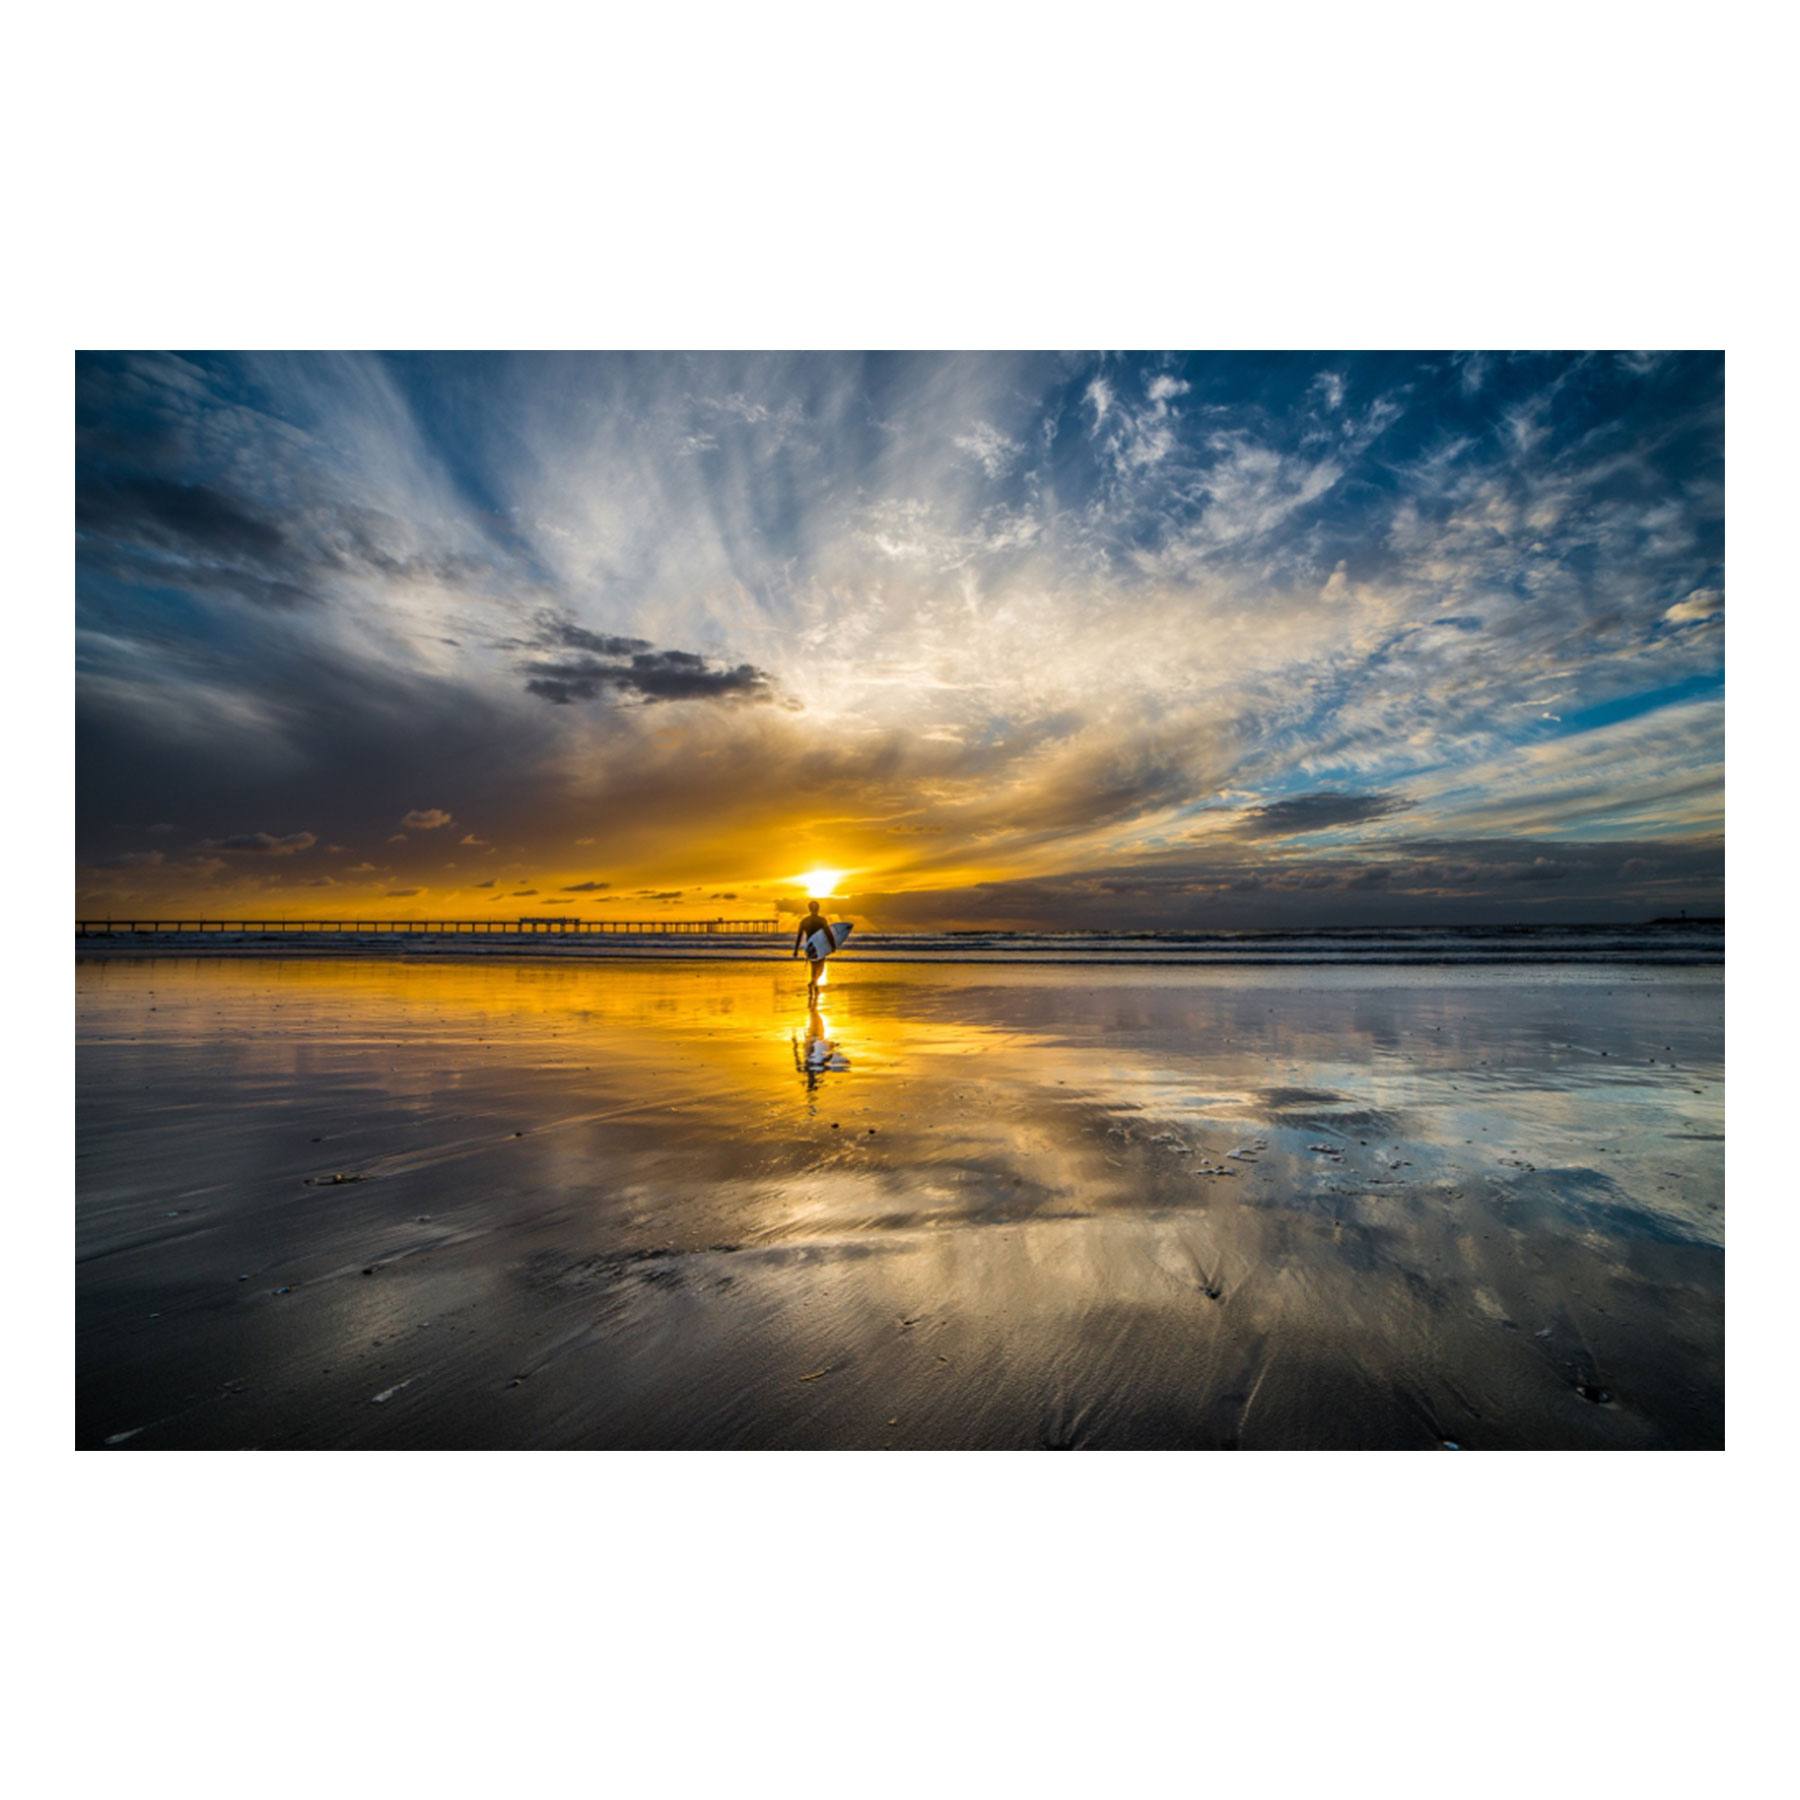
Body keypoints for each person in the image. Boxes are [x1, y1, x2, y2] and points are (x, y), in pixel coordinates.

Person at [791, 900, 839, 1003]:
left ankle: (814, 985)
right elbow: (828, 934)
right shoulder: (821, 920)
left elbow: (799, 936)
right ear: (818, 908)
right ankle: (813, 984)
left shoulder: (804, 921)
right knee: (820, 969)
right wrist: (833, 946)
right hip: (820, 947)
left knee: (814, 968)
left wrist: (795, 950)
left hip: (810, 947)